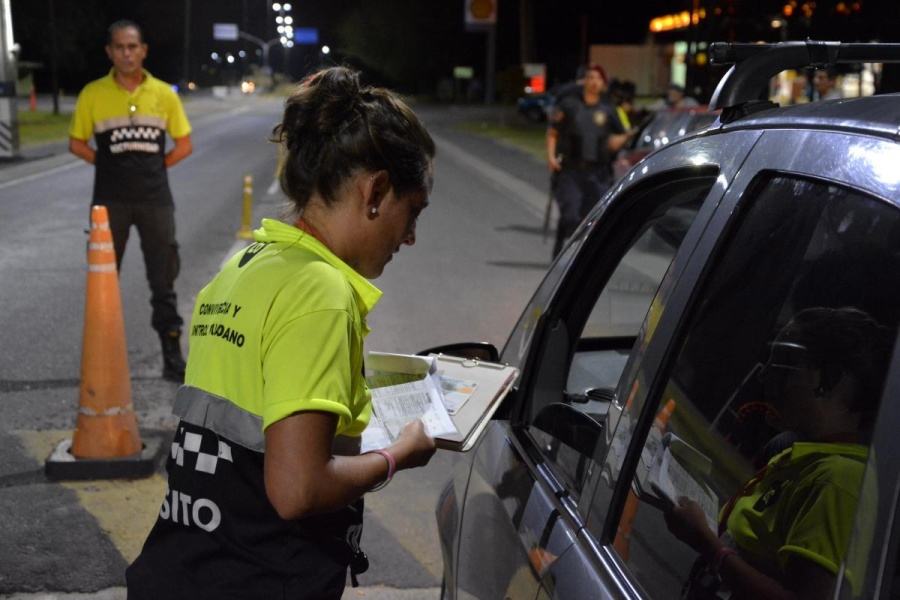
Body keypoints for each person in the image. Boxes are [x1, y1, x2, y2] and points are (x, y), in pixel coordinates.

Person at [125, 66, 438, 599]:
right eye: (412, 212)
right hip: (261, 579)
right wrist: (397, 456)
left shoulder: (246, 266)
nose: (409, 236)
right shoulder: (322, 294)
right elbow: (298, 489)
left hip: (183, 568)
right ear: (375, 190)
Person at [664, 307, 893, 600]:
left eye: (784, 362)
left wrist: (707, 544)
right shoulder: (796, 455)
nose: (764, 375)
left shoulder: (836, 480)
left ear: (830, 380)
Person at [69, 20, 193, 382]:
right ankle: (100, 360)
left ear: (143, 51)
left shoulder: (163, 94)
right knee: (103, 282)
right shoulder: (93, 94)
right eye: (119, 47)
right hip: (109, 202)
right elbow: (76, 143)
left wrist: (155, 168)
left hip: (156, 201)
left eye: (132, 46)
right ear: (110, 52)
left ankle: (172, 357)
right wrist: (109, 166)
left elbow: (184, 145)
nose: (126, 53)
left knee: (163, 281)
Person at [546, 64, 631, 259]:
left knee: (594, 218)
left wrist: (623, 138)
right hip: (571, 170)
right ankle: (562, 251)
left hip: (598, 173)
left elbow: (620, 136)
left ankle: (581, 258)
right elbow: (553, 132)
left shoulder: (609, 109)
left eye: (598, 79)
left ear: (603, 84)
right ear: (585, 81)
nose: (594, 82)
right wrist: (551, 157)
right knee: (571, 215)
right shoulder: (570, 105)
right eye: (591, 77)